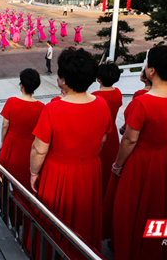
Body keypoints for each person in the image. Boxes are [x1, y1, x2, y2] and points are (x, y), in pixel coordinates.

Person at [102, 45, 167, 260]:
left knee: (130, 206)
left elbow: (130, 139)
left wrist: (118, 165)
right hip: (163, 156)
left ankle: (127, 246)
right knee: (155, 205)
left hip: (139, 159)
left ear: (151, 71)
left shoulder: (143, 101)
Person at [30, 47, 111, 257]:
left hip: (59, 172)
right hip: (90, 169)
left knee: (57, 218)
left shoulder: (53, 108)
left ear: (63, 80)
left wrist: (33, 172)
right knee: (85, 215)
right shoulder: (102, 104)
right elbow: (102, 138)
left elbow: (39, 149)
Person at [0, 68, 44, 200]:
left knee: (1, 173)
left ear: (21, 86)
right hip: (29, 146)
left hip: (12, 142)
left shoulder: (12, 102)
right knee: (25, 182)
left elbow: (5, 125)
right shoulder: (42, 107)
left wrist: (3, 141)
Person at [92, 62, 123, 200]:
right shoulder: (117, 92)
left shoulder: (96, 96)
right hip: (113, 134)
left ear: (99, 79)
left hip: (99, 135)